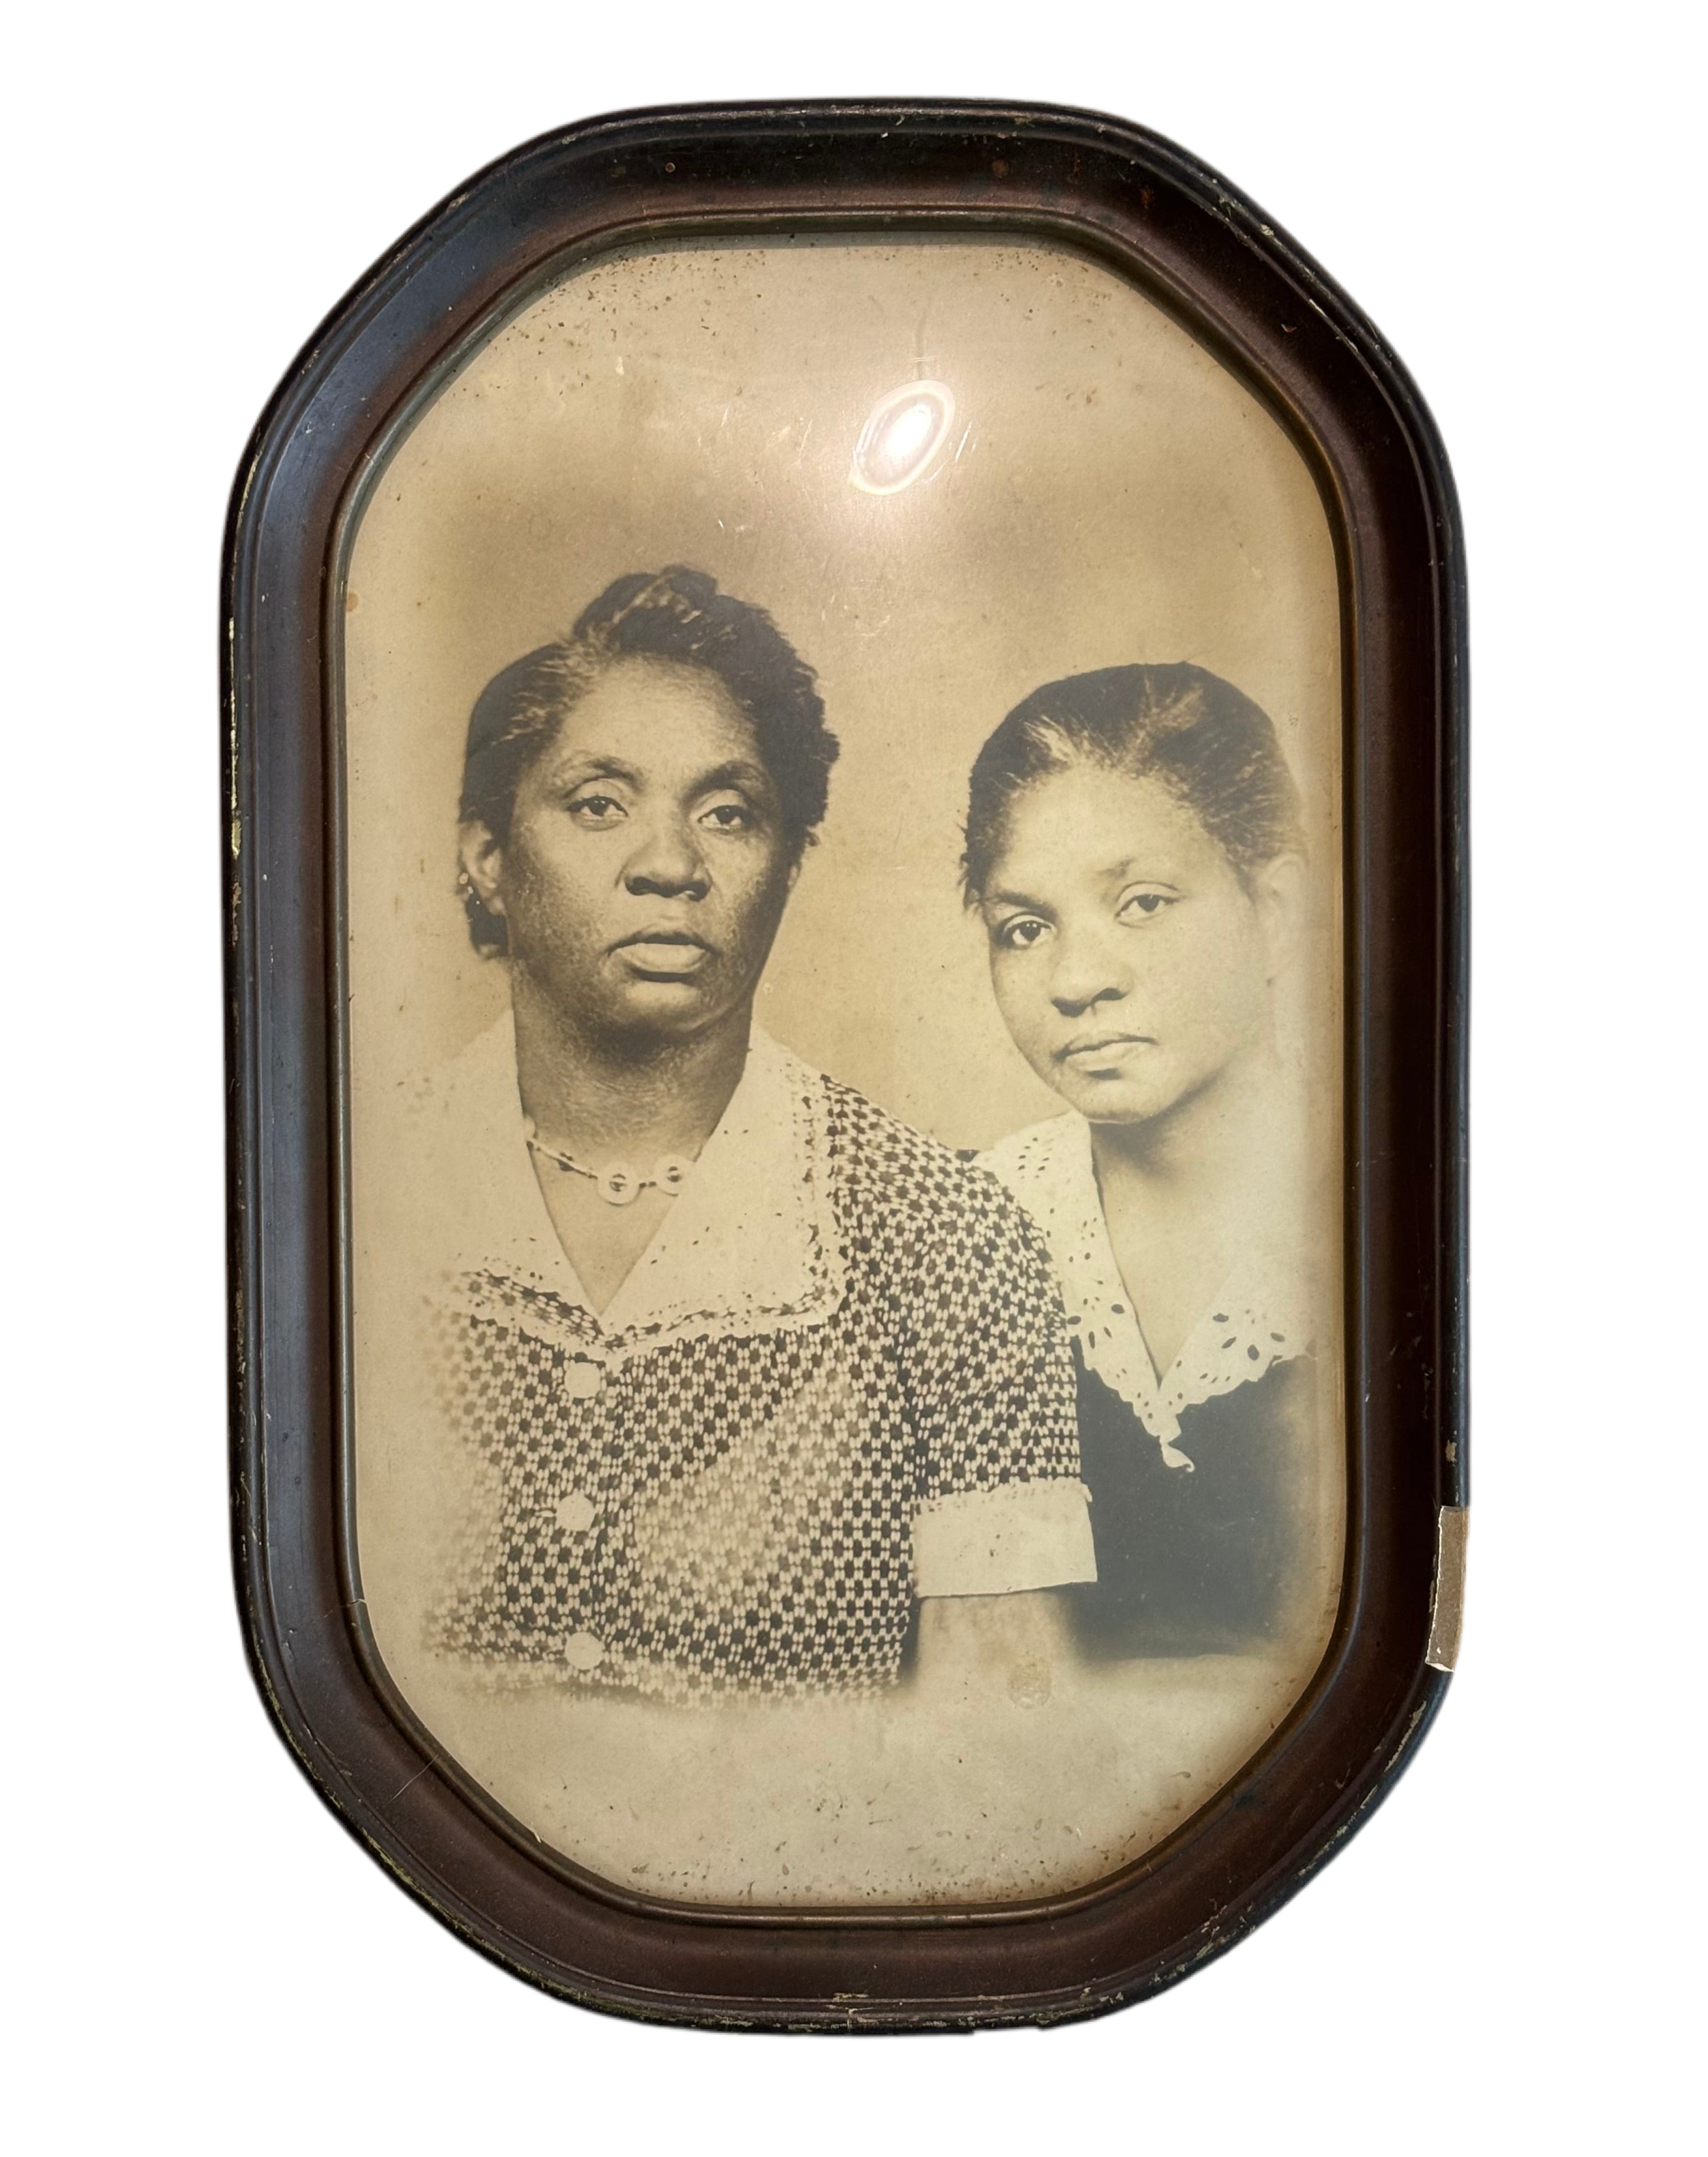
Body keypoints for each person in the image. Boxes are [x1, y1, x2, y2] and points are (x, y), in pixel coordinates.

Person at [374, 566, 1095, 1707]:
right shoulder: (348, 1198)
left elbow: (1000, 1747)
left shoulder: (944, 1235)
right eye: (600, 802)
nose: (672, 863)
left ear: (787, 865)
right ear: (486, 855)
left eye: (729, 812)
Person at [963, 664, 1332, 1658]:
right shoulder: (962, 1229)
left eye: (1143, 904)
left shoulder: (1383, 1212)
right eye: (1025, 929)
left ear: (1278, 909)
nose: (1079, 980)